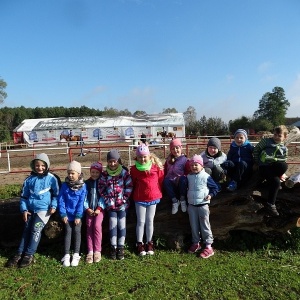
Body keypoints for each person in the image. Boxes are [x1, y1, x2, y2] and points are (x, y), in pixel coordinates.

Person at [5, 153, 60, 268]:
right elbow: (24, 197)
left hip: (44, 210)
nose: (40, 168)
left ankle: (29, 254)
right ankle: (19, 253)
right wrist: (24, 210)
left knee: (36, 229)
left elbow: (56, 195)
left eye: (42, 165)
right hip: (30, 210)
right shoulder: (29, 180)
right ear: (33, 166)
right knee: (26, 229)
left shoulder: (52, 178)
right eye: (37, 165)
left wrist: (54, 206)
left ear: (47, 165)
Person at [181, 155, 219, 258]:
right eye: (192, 165)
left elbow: (215, 188)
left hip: (203, 205)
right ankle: (196, 243)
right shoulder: (188, 177)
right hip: (192, 205)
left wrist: (210, 195)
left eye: (196, 165)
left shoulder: (206, 176)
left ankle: (208, 246)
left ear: (201, 165)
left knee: (205, 225)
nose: (194, 167)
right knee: (193, 225)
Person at [130, 144, 164, 256]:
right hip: (140, 198)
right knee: (141, 221)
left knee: (150, 221)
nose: (142, 159)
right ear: (137, 158)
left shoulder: (156, 168)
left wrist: (156, 190)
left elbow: (160, 180)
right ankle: (139, 243)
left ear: (149, 156)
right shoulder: (134, 170)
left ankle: (150, 242)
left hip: (153, 197)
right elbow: (133, 183)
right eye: (140, 157)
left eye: (144, 157)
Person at [98, 149, 133, 260]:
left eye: (114, 161)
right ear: (107, 162)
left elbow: (129, 186)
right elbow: (101, 188)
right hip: (111, 206)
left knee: (122, 224)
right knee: (112, 223)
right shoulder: (104, 174)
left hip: (122, 205)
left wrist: (123, 199)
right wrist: (107, 199)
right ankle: (113, 246)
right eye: (110, 161)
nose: (112, 164)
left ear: (118, 161)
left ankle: (121, 247)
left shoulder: (124, 173)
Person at [253, 125, 289, 216]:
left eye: (279, 135)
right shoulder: (266, 142)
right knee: (276, 182)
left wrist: (282, 173)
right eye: (275, 134)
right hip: (264, 166)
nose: (276, 137)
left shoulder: (284, 148)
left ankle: (270, 201)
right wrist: (257, 162)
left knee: (284, 166)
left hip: (274, 168)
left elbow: (284, 159)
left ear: (285, 137)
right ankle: (271, 204)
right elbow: (256, 150)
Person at [58, 161, 86, 267]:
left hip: (77, 215)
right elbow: (61, 200)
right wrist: (63, 214)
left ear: (78, 174)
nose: (70, 175)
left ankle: (76, 254)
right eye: (69, 173)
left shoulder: (83, 186)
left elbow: (81, 202)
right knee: (68, 231)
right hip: (67, 215)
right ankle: (66, 254)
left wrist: (78, 215)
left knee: (77, 231)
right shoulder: (65, 186)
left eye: (72, 173)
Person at [84, 162, 105, 263]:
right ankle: (90, 251)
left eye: (97, 172)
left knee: (96, 226)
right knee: (89, 226)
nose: (95, 174)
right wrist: (87, 208)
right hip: (89, 210)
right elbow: (84, 198)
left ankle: (97, 250)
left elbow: (103, 196)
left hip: (99, 210)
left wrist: (99, 209)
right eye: (93, 172)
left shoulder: (102, 182)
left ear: (100, 173)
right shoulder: (86, 183)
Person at [163, 138, 190, 214]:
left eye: (177, 148)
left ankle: (182, 199)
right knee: (166, 181)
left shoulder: (185, 160)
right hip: (171, 183)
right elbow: (165, 171)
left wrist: (182, 177)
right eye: (173, 149)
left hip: (180, 183)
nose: (175, 150)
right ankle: (175, 201)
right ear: (171, 150)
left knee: (183, 179)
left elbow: (187, 172)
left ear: (181, 148)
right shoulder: (168, 160)